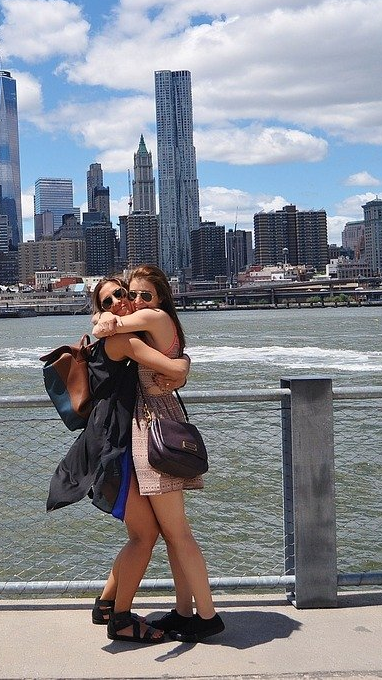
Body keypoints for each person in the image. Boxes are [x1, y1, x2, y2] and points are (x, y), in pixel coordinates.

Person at [92, 264, 224, 642]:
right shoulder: (148, 324)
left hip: (156, 426)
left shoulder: (151, 317)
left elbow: (111, 330)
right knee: (170, 533)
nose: (133, 301)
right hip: (155, 423)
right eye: (128, 294)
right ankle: (184, 611)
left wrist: (104, 321)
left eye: (140, 294)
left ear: (160, 297)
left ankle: (207, 615)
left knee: (177, 532)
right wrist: (182, 368)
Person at [82, 275, 188, 643]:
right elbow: (176, 370)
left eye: (121, 294)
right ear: (101, 308)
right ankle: (122, 620)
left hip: (115, 446)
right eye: (107, 301)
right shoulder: (122, 340)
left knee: (140, 534)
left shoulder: (118, 333)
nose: (117, 303)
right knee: (145, 536)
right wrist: (183, 362)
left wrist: (103, 320)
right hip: (113, 451)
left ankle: (107, 603)